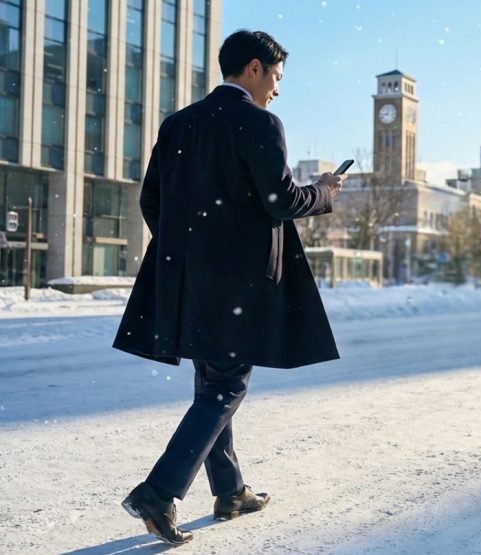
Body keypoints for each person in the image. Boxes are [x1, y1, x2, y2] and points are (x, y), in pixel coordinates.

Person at [113, 30, 345, 545]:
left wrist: (190, 247)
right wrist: (325, 191)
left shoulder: (177, 125)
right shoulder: (259, 122)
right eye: (277, 78)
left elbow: (152, 201)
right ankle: (159, 491)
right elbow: (281, 200)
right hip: (238, 283)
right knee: (226, 386)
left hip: (184, 277)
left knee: (212, 381)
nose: (277, 90)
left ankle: (230, 491)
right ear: (256, 69)